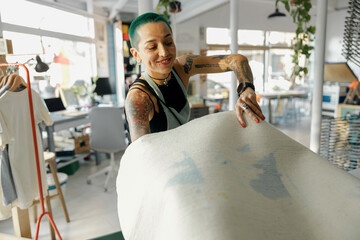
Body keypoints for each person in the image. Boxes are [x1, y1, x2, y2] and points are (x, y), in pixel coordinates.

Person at [125, 12, 265, 142]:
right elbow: (140, 156)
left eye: (168, 42)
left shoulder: (182, 68)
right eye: (152, 47)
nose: (164, 52)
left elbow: (237, 60)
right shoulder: (138, 99)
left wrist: (247, 89)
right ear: (136, 54)